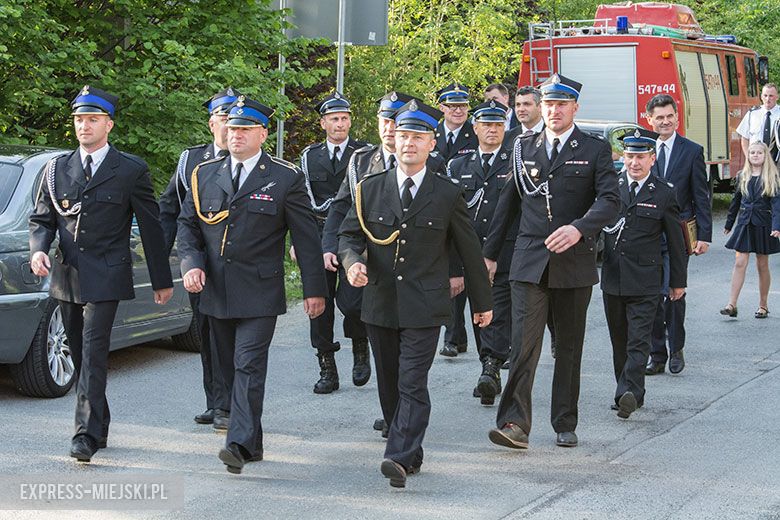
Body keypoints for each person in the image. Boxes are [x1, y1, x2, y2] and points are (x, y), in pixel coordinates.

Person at [339, 98, 493, 488]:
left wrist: (483, 305)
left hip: (425, 304)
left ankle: (399, 455)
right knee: (390, 383)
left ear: (432, 143)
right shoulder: (369, 189)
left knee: (411, 381)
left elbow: (470, 251)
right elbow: (348, 236)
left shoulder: (446, 193)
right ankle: (408, 443)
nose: (408, 142)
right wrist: (352, 261)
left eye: (417, 136)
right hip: (379, 302)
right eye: (403, 135)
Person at [176, 95, 327, 474]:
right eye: (231, 128)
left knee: (247, 365)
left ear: (262, 133)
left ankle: (239, 444)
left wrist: (314, 290)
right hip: (216, 291)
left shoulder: (285, 176)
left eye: (244, 129)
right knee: (227, 368)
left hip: (260, 291)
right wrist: (191, 264)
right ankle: (253, 441)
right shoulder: (204, 173)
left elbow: (305, 238)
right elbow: (188, 226)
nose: (235, 134)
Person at [29, 85, 174, 462]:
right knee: (79, 351)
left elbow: (151, 226)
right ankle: (101, 421)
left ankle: (85, 435)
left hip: (108, 274)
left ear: (108, 124)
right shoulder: (57, 169)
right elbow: (42, 219)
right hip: (68, 274)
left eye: (92, 119)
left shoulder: (129, 169)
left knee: (93, 351)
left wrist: (161, 280)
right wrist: (37, 251)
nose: (84, 126)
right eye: (79, 119)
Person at [483, 73, 619, 450]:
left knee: (569, 347)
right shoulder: (522, 147)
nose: (554, 110)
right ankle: (514, 423)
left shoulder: (594, 149)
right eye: (548, 104)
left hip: (574, 261)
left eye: (561, 104)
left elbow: (610, 201)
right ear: (541, 108)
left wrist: (579, 228)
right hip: (528, 260)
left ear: (575, 107)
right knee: (522, 345)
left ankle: (564, 420)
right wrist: (490, 255)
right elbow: (507, 205)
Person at [320, 90, 444, 437]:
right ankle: (392, 409)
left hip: (416, 276)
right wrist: (333, 247)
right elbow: (342, 207)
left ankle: (401, 422)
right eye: (384, 121)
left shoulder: (432, 162)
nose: (389, 129)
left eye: (395, 121)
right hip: (370, 268)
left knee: (410, 360)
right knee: (376, 337)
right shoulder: (362, 161)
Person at [158, 87, 239, 431]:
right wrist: (161, 260)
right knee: (207, 334)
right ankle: (217, 401)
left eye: (233, 119)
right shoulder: (191, 161)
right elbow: (170, 208)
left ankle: (235, 401)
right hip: (201, 266)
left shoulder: (252, 160)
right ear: (211, 124)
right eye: (223, 118)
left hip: (240, 265)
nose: (228, 125)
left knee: (238, 336)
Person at [601, 128, 687, 419]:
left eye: (640, 157)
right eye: (629, 156)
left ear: (652, 158)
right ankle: (626, 390)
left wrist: (677, 282)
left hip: (646, 280)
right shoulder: (610, 188)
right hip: (613, 277)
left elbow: (677, 243)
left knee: (639, 341)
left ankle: (629, 393)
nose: (634, 163)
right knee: (619, 341)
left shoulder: (663, 192)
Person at [298, 93, 370, 394]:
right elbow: (301, 202)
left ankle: (360, 344)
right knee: (319, 303)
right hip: (317, 236)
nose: (340, 124)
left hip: (354, 237)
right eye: (334, 119)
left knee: (354, 302)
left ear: (350, 120)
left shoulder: (364, 154)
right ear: (323, 123)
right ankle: (326, 365)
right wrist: (297, 241)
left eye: (344, 118)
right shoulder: (309, 156)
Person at [446, 100, 513, 405]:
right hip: (470, 254)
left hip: (504, 255)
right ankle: (489, 368)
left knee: (496, 311)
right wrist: (455, 266)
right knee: (478, 315)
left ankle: (491, 366)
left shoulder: (515, 163)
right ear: (475, 128)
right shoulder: (459, 166)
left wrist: (496, 254)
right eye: (486, 125)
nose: (492, 130)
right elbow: (451, 220)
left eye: (498, 125)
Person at [644, 94, 711, 376]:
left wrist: (703, 236)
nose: (665, 121)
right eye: (659, 117)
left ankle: (676, 349)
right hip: (647, 236)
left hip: (679, 235)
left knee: (674, 293)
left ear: (677, 117)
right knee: (651, 297)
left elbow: (701, 196)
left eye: (669, 116)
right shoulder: (643, 149)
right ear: (649, 119)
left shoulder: (692, 151)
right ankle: (656, 354)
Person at [435, 83, 480, 357]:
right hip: (439, 210)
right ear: (442, 108)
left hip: (469, 210)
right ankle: (454, 336)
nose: (458, 111)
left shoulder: (474, 133)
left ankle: (458, 336)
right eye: (452, 106)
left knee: (463, 274)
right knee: (449, 275)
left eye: (462, 106)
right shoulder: (432, 133)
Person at [721, 141, 780, 319]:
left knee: (762, 264)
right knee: (740, 262)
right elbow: (735, 202)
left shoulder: (772, 178)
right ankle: (732, 304)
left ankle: (763, 305)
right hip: (744, 224)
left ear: (765, 156)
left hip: (763, 224)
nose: (755, 155)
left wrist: (776, 226)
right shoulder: (742, 176)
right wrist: (729, 224)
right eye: (752, 152)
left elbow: (777, 206)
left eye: (759, 153)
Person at [737, 83, 779, 161]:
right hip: (756, 161)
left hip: (776, 161)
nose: (767, 99)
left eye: (771, 96)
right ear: (761, 97)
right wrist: (748, 158)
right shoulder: (752, 113)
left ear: (777, 97)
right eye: (765, 95)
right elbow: (745, 138)